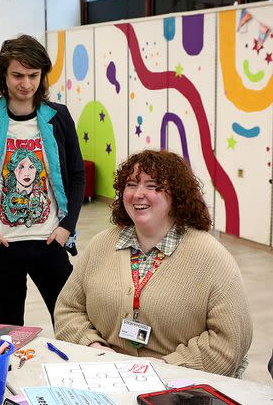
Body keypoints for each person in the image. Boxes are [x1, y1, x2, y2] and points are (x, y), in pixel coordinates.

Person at [54, 150, 252, 377]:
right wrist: (95, 349)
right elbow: (67, 309)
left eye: (152, 185)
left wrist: (160, 370)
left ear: (177, 194)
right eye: (131, 184)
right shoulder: (101, 245)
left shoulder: (212, 258)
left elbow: (230, 342)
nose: (138, 194)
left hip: (178, 387)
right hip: (103, 375)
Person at [0, 35, 85, 327]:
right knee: (8, 330)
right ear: (3, 76)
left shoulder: (59, 117)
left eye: (33, 75)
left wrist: (68, 226)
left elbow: (77, 175)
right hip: (0, 245)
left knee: (70, 323)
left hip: (50, 240)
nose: (26, 84)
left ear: (42, 76)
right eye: (17, 75)